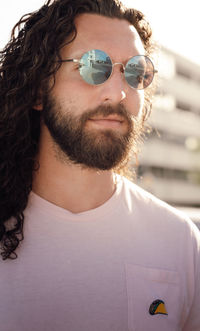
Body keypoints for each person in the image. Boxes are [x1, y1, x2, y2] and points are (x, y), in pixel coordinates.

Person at [0, 0, 199, 330]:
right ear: (38, 88)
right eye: (94, 66)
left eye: (135, 71)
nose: (117, 93)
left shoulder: (180, 244)